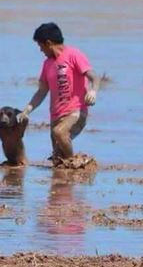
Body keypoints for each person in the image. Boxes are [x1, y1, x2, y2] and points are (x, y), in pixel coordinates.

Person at [18, 22, 100, 165]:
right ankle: (73, 169)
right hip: (55, 115)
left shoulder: (74, 54)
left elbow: (94, 76)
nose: (40, 50)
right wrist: (27, 109)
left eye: (40, 46)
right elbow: (42, 91)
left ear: (49, 43)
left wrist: (93, 91)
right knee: (57, 159)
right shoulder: (47, 64)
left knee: (60, 132)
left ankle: (72, 164)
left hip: (76, 112)